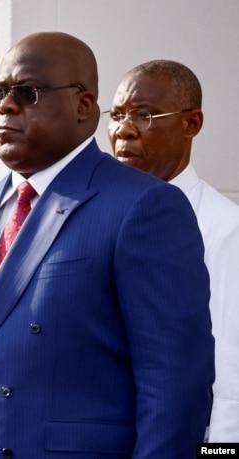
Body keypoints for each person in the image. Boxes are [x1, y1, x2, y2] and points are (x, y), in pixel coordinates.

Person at [0, 32, 214, 458]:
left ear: (84, 106)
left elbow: (174, 385)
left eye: (28, 91)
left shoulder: (143, 206)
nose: (5, 105)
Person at [107, 59, 239, 442]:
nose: (123, 131)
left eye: (144, 115)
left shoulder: (225, 228)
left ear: (191, 124)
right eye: (116, 115)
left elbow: (228, 368)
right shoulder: (96, 216)